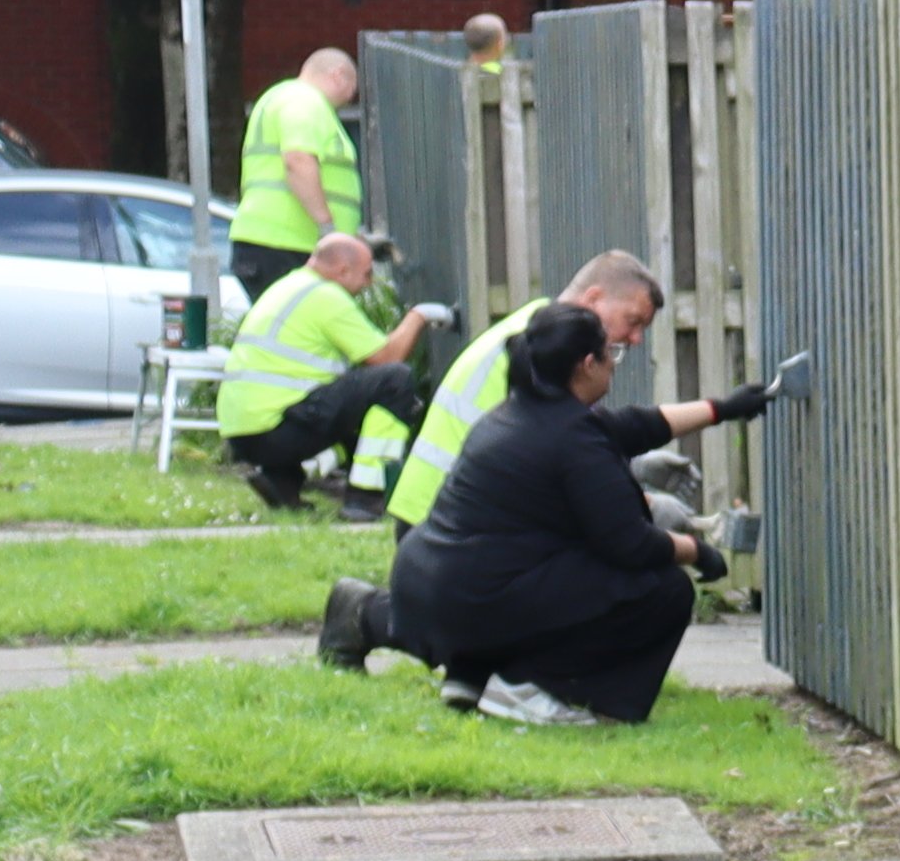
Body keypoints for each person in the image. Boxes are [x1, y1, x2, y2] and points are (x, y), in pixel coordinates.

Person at [316, 253, 775, 676]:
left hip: (449, 525)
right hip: (449, 528)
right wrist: (650, 508)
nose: (636, 339)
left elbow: (606, 434)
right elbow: (558, 462)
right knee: (589, 584)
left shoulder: (539, 335)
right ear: (594, 298)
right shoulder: (539, 354)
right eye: (633, 321)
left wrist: (720, 409)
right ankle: (382, 621)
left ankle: (429, 641)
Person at [382, 303, 724, 727]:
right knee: (663, 590)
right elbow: (631, 543)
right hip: (471, 605)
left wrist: (721, 408)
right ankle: (530, 686)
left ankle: (474, 673)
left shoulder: (519, 411)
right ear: (587, 364)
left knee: (568, 570)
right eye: (611, 354)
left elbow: (633, 426)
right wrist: (697, 551)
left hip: (425, 588)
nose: (615, 365)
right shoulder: (573, 437)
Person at [215, 231, 448, 513]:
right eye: (366, 274)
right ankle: (366, 495)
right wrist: (419, 316)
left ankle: (282, 482)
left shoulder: (287, 287)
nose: (369, 283)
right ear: (343, 270)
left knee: (352, 398)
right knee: (394, 380)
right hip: (278, 428)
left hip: (242, 434)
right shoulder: (326, 297)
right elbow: (386, 357)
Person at [228, 44, 361, 300]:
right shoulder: (306, 102)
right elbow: (298, 160)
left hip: (271, 241)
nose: (351, 97)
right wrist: (328, 229)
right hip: (290, 244)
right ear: (338, 75)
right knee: (299, 321)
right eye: (352, 87)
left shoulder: (280, 97)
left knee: (285, 321)